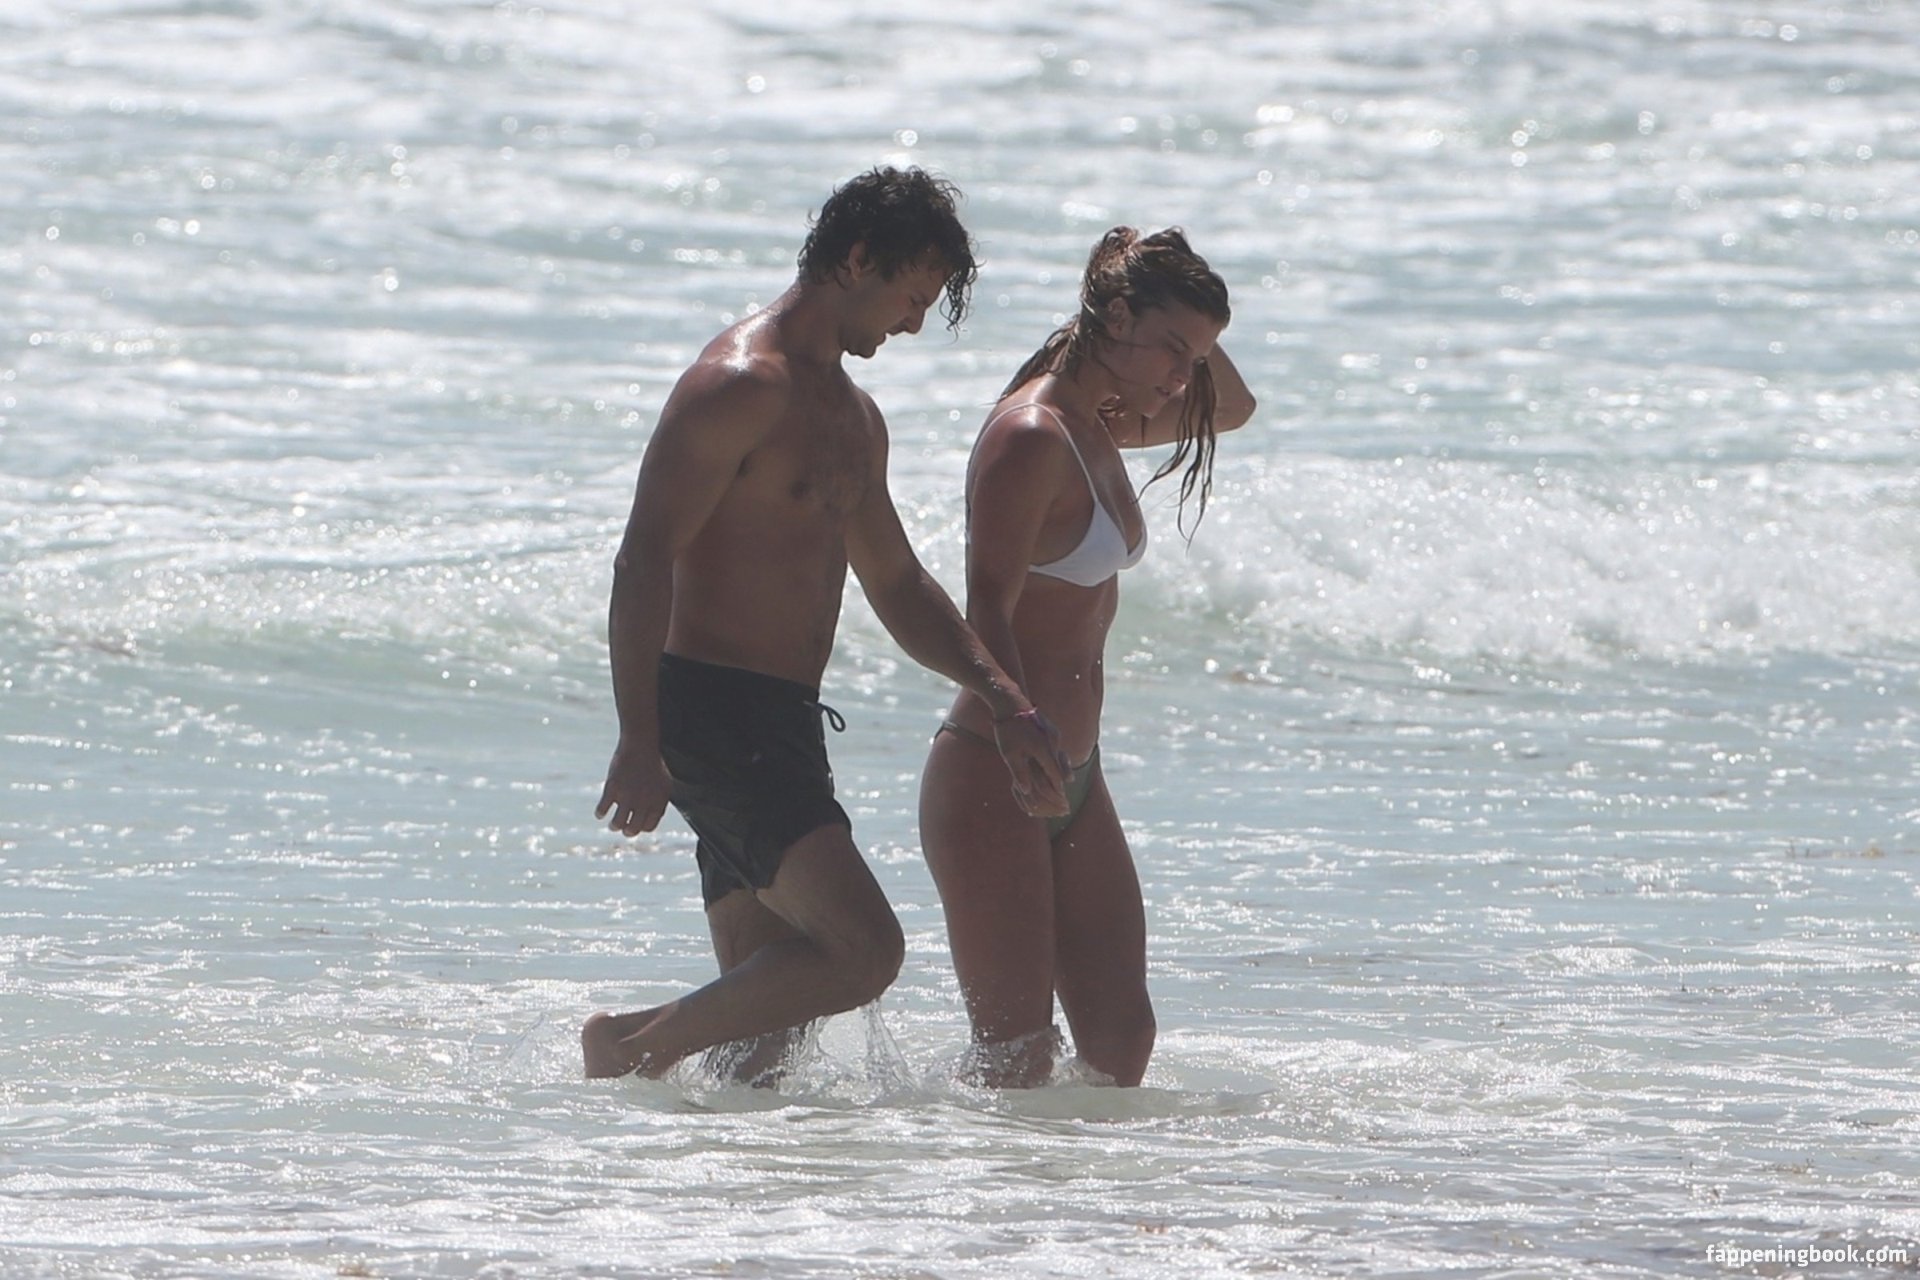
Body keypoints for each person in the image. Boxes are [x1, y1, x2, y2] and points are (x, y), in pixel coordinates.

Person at [584, 167, 1069, 1082]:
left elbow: (896, 581)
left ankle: (673, 1154)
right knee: (864, 950)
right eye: (910, 297)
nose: (913, 324)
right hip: (713, 716)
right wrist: (638, 738)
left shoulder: (852, 417)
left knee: (764, 1041)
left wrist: (1004, 698)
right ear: (855, 260)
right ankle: (628, 1045)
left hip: (785, 723)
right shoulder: (736, 386)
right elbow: (642, 559)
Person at [918, 227, 1256, 1088]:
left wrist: (1158, 282)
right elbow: (985, 605)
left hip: (1074, 771)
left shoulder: (1101, 421)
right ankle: (949, 1173)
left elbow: (1233, 405)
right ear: (1117, 316)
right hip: (1000, 764)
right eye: (1173, 350)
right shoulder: (1032, 435)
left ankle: (1078, 1184)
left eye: (1194, 356)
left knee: (1120, 1036)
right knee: (1016, 1056)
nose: (1183, 378)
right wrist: (1016, 720)